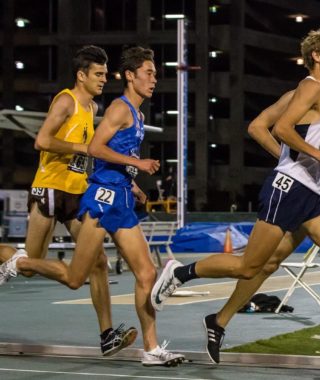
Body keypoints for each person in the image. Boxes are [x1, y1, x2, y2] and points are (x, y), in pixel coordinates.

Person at [151, 27, 320, 367]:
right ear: (316, 57)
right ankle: (180, 273)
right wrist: (300, 158)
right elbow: (273, 128)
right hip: (292, 190)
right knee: (251, 265)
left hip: (315, 193)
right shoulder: (307, 89)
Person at [0, 46, 184, 367]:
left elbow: (98, 158)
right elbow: (75, 146)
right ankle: (17, 263)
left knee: (131, 270)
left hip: (94, 193)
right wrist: (134, 162)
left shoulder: (112, 111)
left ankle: (138, 344)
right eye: (149, 73)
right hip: (69, 193)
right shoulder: (90, 104)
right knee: (65, 274)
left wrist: (134, 183)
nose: (155, 79)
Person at [198, 82, 320, 363]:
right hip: (298, 189)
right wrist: (289, 159)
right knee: (261, 263)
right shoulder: (300, 95)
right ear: (317, 56)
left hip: (318, 193)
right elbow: (258, 127)